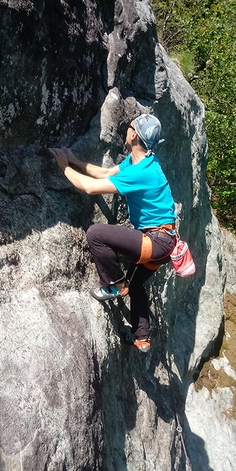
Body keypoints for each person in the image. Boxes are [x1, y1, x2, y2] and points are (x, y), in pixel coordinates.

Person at [49, 113, 177, 352]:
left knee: (96, 234)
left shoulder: (143, 172)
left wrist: (64, 168)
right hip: (165, 243)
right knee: (137, 284)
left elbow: (89, 187)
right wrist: (75, 160)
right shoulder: (141, 161)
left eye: (129, 127)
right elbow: (104, 174)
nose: (126, 130)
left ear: (134, 134)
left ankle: (114, 285)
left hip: (156, 241)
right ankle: (142, 337)